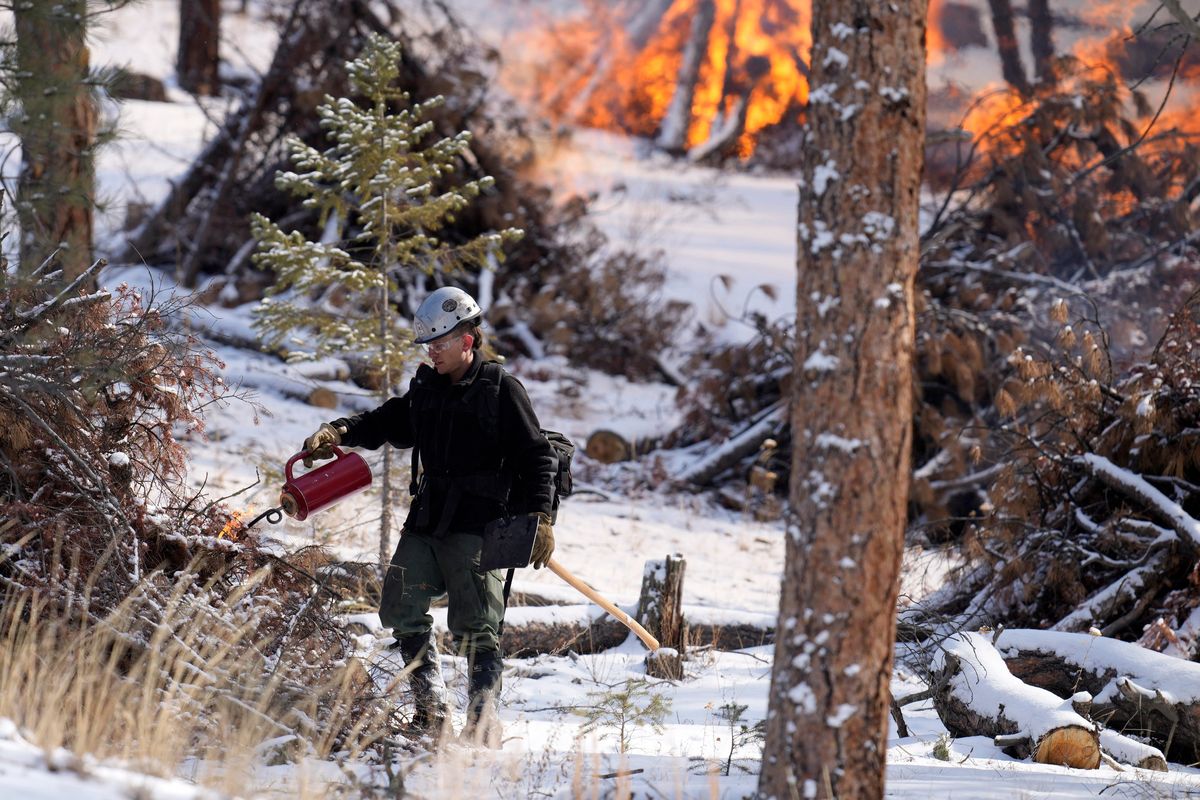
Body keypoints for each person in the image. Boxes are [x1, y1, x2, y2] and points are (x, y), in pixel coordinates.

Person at [301, 286, 557, 746]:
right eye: (428, 346)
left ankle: (482, 724)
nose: (432, 352)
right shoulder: (426, 388)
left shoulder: (501, 390)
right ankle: (431, 711)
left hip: (480, 527)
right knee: (399, 605)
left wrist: (541, 516)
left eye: (440, 344)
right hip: (427, 520)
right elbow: (389, 420)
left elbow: (538, 457)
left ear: (468, 338)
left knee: (477, 625)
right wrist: (340, 430)